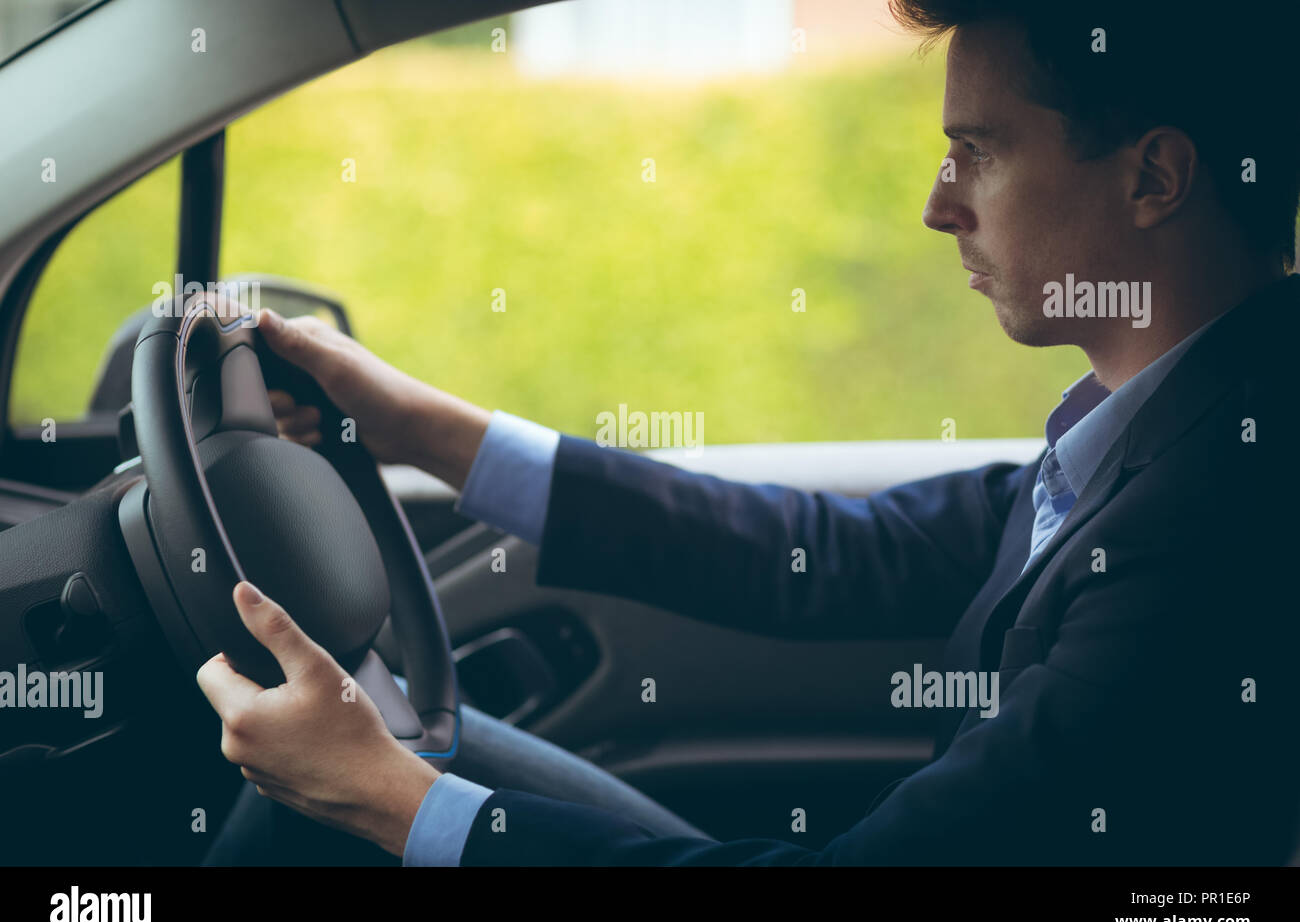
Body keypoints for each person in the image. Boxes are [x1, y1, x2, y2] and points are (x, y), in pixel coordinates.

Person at [198, 0, 1300, 865]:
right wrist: (418, 424)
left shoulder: (1216, 527)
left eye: (982, 148)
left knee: (347, 805)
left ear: (1154, 176)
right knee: (415, 762)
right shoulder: (1162, 432)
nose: (938, 202)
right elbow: (815, 551)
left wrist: (389, 800)